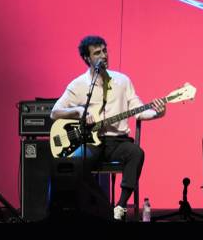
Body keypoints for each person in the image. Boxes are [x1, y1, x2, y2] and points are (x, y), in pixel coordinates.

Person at [51, 35, 166, 221]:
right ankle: (103, 205)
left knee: (136, 153)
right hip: (90, 142)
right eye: (97, 53)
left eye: (105, 51)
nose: (104, 55)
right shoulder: (79, 85)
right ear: (87, 58)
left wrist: (157, 113)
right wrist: (79, 111)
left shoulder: (122, 81)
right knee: (74, 165)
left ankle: (119, 206)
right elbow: (55, 112)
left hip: (117, 142)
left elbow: (138, 110)